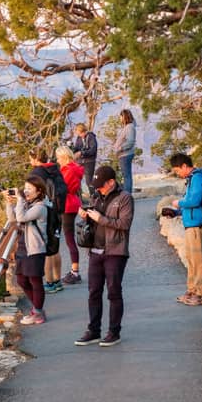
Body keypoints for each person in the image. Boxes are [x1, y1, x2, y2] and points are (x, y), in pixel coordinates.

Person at [74, 165, 134, 346]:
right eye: (96, 185)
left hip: (115, 251)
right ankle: (93, 331)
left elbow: (125, 223)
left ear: (111, 182)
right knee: (93, 292)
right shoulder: (96, 197)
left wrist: (101, 219)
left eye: (101, 185)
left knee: (114, 292)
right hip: (95, 251)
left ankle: (114, 332)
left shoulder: (125, 198)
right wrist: (84, 216)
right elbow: (92, 222)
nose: (98, 188)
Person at [4, 175, 50, 324]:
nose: (26, 191)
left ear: (39, 192)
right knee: (22, 280)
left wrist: (20, 200)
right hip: (23, 248)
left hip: (35, 249)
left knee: (35, 281)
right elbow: (13, 220)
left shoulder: (40, 208)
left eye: (30, 188)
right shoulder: (28, 204)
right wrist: (9, 203)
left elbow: (22, 218)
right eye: (25, 188)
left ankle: (37, 312)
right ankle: (37, 309)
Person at [166, 153, 202, 306]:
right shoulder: (192, 179)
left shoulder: (197, 179)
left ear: (185, 166)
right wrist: (176, 212)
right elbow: (191, 204)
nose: (178, 174)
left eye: (178, 170)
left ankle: (201, 294)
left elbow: (195, 200)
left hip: (197, 225)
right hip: (191, 223)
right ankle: (192, 290)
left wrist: (179, 202)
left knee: (197, 260)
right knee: (191, 259)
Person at [29, 149, 66, 293]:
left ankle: (49, 282)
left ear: (35, 159)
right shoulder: (54, 169)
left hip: (45, 212)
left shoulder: (36, 173)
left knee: (46, 249)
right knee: (54, 246)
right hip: (57, 211)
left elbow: (31, 193)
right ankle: (57, 280)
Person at [55, 145, 85, 284]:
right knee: (69, 238)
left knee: (69, 239)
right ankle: (74, 270)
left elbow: (61, 188)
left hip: (66, 204)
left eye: (59, 157)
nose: (58, 160)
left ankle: (75, 271)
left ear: (65, 157)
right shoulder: (75, 169)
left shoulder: (67, 170)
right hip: (72, 202)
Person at [69, 123, 97, 197]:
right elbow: (77, 148)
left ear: (83, 131)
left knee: (89, 181)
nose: (79, 135)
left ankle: (93, 197)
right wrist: (71, 150)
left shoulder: (91, 137)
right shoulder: (79, 138)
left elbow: (93, 150)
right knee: (76, 180)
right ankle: (78, 198)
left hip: (89, 161)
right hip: (80, 161)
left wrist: (82, 153)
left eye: (80, 133)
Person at [113, 109, 137, 195]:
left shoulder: (130, 127)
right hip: (123, 155)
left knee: (126, 176)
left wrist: (120, 148)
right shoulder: (127, 127)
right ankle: (126, 193)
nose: (120, 118)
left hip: (126, 154)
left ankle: (127, 194)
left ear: (125, 116)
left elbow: (130, 141)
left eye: (121, 116)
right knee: (126, 175)